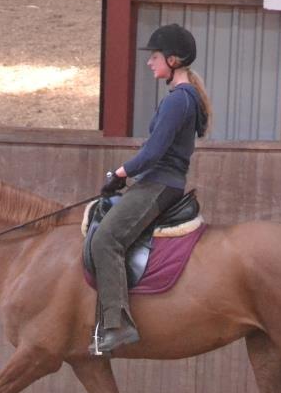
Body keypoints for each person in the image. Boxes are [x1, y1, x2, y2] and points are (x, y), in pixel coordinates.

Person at [89, 23, 212, 355]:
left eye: (154, 57)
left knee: (106, 239)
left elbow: (154, 152)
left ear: (173, 60)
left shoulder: (178, 101)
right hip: (157, 181)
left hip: (159, 184)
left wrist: (119, 172)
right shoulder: (182, 98)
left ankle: (117, 324)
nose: (149, 63)